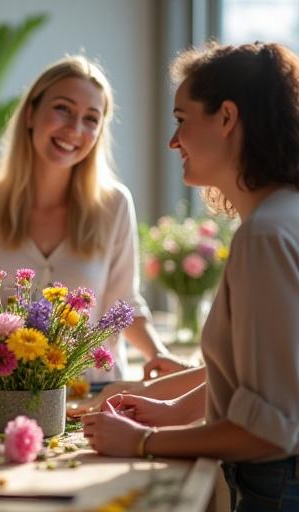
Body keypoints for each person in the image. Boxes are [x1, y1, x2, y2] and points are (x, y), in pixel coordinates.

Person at [82, 42, 299, 511]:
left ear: (226, 117)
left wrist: (143, 441)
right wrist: (169, 409)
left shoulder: (265, 236)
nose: (173, 141)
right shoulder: (282, 217)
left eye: (182, 120)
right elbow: (261, 378)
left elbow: (268, 430)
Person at [0, 54, 183, 415]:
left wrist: (158, 355)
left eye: (91, 119)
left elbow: (125, 305)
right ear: (30, 114)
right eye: (62, 109)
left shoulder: (114, 204)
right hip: (5, 394)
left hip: (98, 397)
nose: (75, 129)